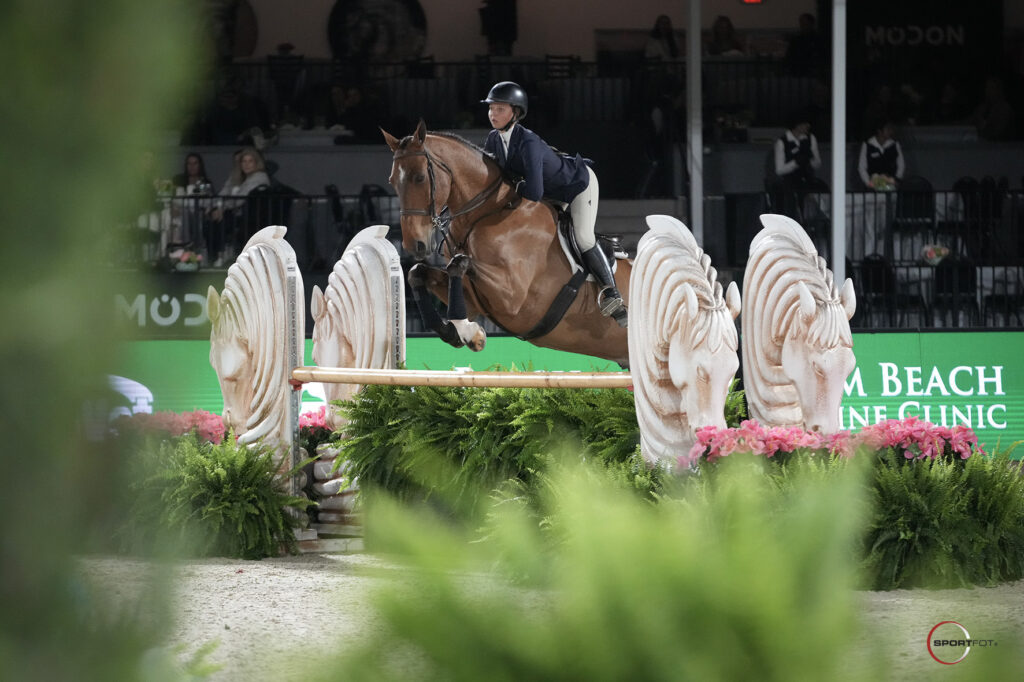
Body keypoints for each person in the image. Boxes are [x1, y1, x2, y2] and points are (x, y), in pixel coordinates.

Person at [480, 81, 627, 325]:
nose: (493, 114)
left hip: (577, 185)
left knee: (582, 237)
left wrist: (512, 187)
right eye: (491, 108)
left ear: (515, 113)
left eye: (500, 109)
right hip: (551, 193)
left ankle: (612, 294)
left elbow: (534, 191)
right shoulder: (493, 140)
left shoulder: (527, 142)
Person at [207, 147, 271, 266]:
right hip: (231, 212)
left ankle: (222, 254)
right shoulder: (235, 176)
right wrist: (214, 206)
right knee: (209, 220)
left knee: (222, 221)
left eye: (250, 161)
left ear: (256, 163)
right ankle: (213, 256)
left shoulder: (260, 177)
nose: (246, 164)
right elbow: (224, 193)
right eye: (244, 161)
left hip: (250, 216)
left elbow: (241, 198)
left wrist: (222, 208)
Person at [171, 153, 215, 251]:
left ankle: (197, 246)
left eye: (195, 163)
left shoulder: (206, 182)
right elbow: (172, 198)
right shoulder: (178, 180)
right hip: (181, 212)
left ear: (200, 165)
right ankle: (186, 244)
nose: (192, 166)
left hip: (200, 213)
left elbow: (210, 201)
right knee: (185, 214)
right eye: (189, 164)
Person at [857, 120, 905, 191]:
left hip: (891, 185)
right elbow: (862, 167)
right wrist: (868, 183)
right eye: (888, 129)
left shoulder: (894, 144)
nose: (891, 132)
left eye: (891, 129)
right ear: (879, 131)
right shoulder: (868, 144)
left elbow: (901, 164)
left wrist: (897, 179)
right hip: (873, 187)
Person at [784, 13, 825, 78]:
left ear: (811, 24)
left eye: (805, 23)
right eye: (801, 23)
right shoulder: (796, 40)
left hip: (812, 72)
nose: (802, 26)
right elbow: (789, 55)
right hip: (797, 71)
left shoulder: (818, 39)